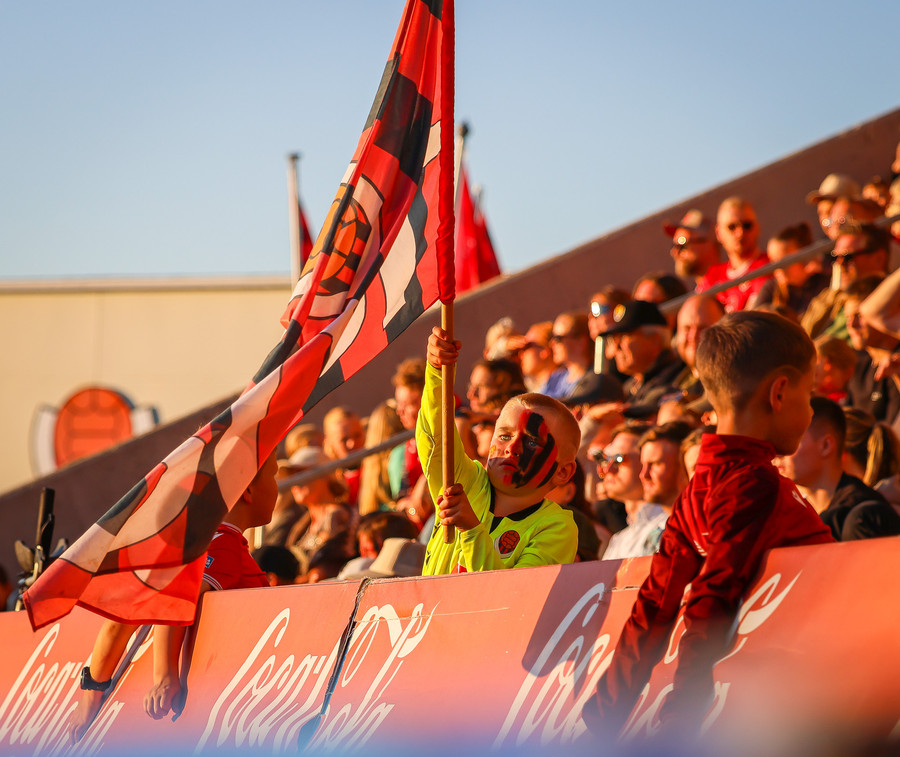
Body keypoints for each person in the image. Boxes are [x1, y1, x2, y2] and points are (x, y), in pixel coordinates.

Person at [582, 311, 834, 743]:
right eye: (809, 393)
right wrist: (680, 720)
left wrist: (602, 718)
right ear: (779, 392)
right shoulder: (751, 484)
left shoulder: (698, 490)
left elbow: (652, 609)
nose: (811, 410)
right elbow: (710, 597)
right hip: (822, 684)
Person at [66, 453, 280, 741]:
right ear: (248, 491)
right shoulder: (223, 544)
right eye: (274, 474)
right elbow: (174, 598)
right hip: (226, 711)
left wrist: (91, 694)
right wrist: (165, 676)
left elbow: (120, 621)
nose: (278, 484)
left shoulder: (180, 545)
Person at [419, 326, 579, 574]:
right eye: (504, 436)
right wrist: (437, 372)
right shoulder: (466, 483)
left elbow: (512, 593)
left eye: (532, 442)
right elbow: (435, 440)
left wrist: (472, 530)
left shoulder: (556, 528)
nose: (512, 447)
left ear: (563, 472)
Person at [774, 396, 900, 541]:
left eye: (792, 438)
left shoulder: (861, 519)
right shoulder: (789, 514)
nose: (778, 452)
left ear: (826, 446)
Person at [802, 223, 892, 340]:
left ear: (879, 258)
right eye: (835, 258)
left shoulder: (891, 301)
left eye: (847, 257)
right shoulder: (828, 297)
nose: (839, 264)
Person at [598, 300, 685, 415]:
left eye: (624, 336)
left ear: (654, 340)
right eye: (614, 339)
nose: (616, 347)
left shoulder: (678, 379)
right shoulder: (631, 386)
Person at [597, 423, 662, 560]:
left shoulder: (668, 526)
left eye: (618, 459)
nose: (608, 470)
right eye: (605, 460)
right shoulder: (618, 540)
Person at [843, 275, 900, 423]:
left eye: (858, 315)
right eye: (847, 317)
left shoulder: (896, 363)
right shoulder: (859, 364)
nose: (851, 325)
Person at [701, 197, 770, 312]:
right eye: (731, 227)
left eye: (747, 225)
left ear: (757, 228)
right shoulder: (712, 276)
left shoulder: (770, 265)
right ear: (718, 233)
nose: (740, 233)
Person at [751, 222, 828, 313]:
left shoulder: (824, 281)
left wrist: (823, 267)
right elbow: (753, 318)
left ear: (806, 257)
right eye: (773, 262)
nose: (778, 269)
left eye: (785, 262)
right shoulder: (771, 288)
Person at [672, 295, 725, 395]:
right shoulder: (669, 379)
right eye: (687, 328)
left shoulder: (729, 384)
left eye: (703, 328)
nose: (693, 336)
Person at [663, 209, 720, 290]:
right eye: (674, 245)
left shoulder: (730, 285)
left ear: (708, 242)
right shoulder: (702, 290)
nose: (674, 252)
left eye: (682, 244)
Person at [321, 407, 365, 506]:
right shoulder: (327, 483)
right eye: (344, 439)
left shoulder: (378, 467)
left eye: (357, 435)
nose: (352, 443)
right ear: (329, 442)